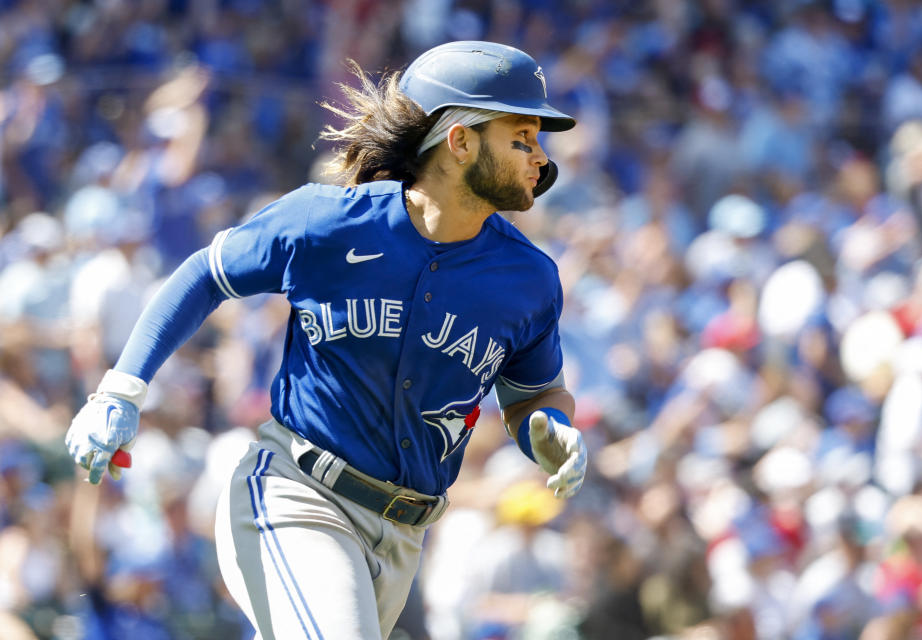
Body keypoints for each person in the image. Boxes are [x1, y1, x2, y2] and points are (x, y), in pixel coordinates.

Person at [65, 40, 588, 640]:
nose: (540, 157)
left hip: (403, 537)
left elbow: (533, 394)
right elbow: (205, 274)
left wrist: (548, 429)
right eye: (522, 136)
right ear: (459, 140)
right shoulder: (329, 221)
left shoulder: (530, 278)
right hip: (296, 496)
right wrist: (121, 390)